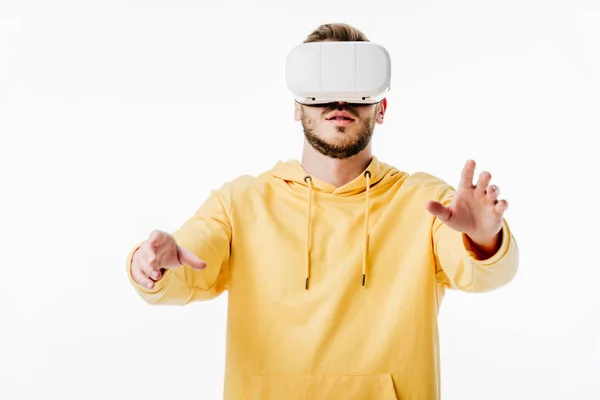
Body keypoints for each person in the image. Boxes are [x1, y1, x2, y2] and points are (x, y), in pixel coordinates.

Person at [126, 23, 519, 400]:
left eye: (356, 86)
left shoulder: (424, 202)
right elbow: (190, 260)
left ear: (381, 107)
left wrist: (484, 238)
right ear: (297, 106)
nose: (340, 102)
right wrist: (151, 266)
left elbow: (484, 274)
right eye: (322, 87)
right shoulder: (240, 202)